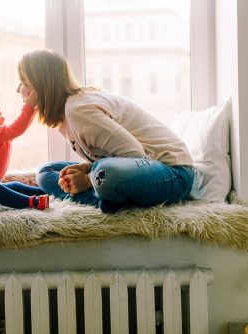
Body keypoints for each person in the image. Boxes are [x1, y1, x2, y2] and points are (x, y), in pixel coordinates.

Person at [17, 49, 194, 213]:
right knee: (46, 172)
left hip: (173, 174)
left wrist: (87, 179)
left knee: (104, 172)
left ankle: (102, 197)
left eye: (23, 83)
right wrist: (87, 169)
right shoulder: (66, 114)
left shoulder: (78, 110)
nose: (18, 89)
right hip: (135, 169)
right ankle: (104, 201)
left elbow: (135, 154)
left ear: (41, 87)